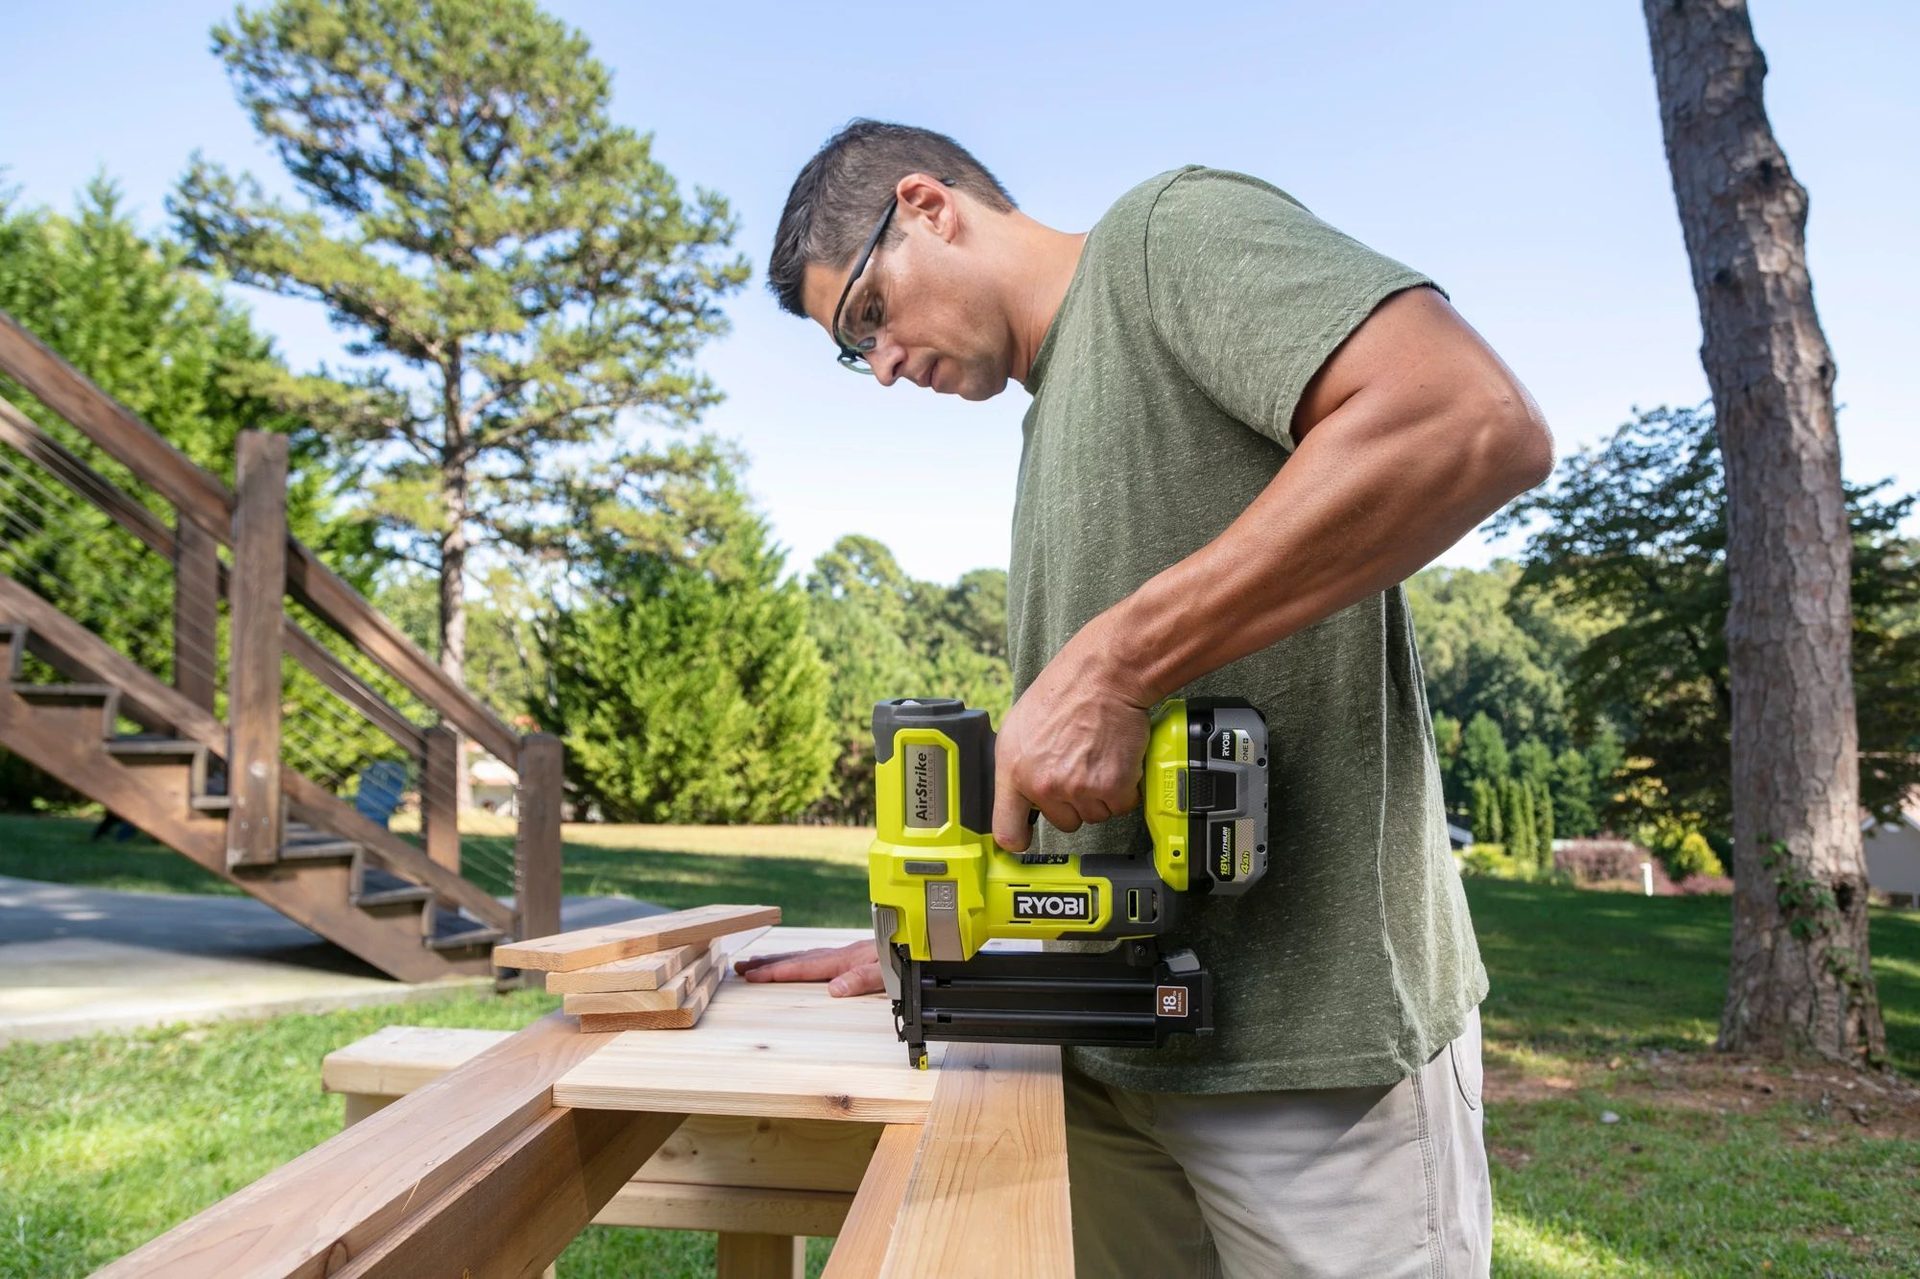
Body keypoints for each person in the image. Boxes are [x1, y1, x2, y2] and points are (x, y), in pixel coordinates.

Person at [737, 119, 1552, 1278]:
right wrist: (955, 936)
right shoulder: (1049, 419)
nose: (879, 364)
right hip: (1113, 1058)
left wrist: (1113, 662)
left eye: (869, 312)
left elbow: (1471, 421)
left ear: (928, 206)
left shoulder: (1166, 235)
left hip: (1307, 1065)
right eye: (848, 348)